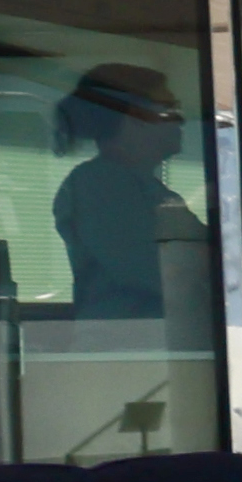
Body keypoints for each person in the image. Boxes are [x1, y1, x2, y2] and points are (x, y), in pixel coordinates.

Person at [46, 63, 202, 325]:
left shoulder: (152, 190)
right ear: (136, 117)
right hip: (130, 348)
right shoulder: (99, 184)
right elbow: (154, 272)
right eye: (170, 110)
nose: (181, 119)